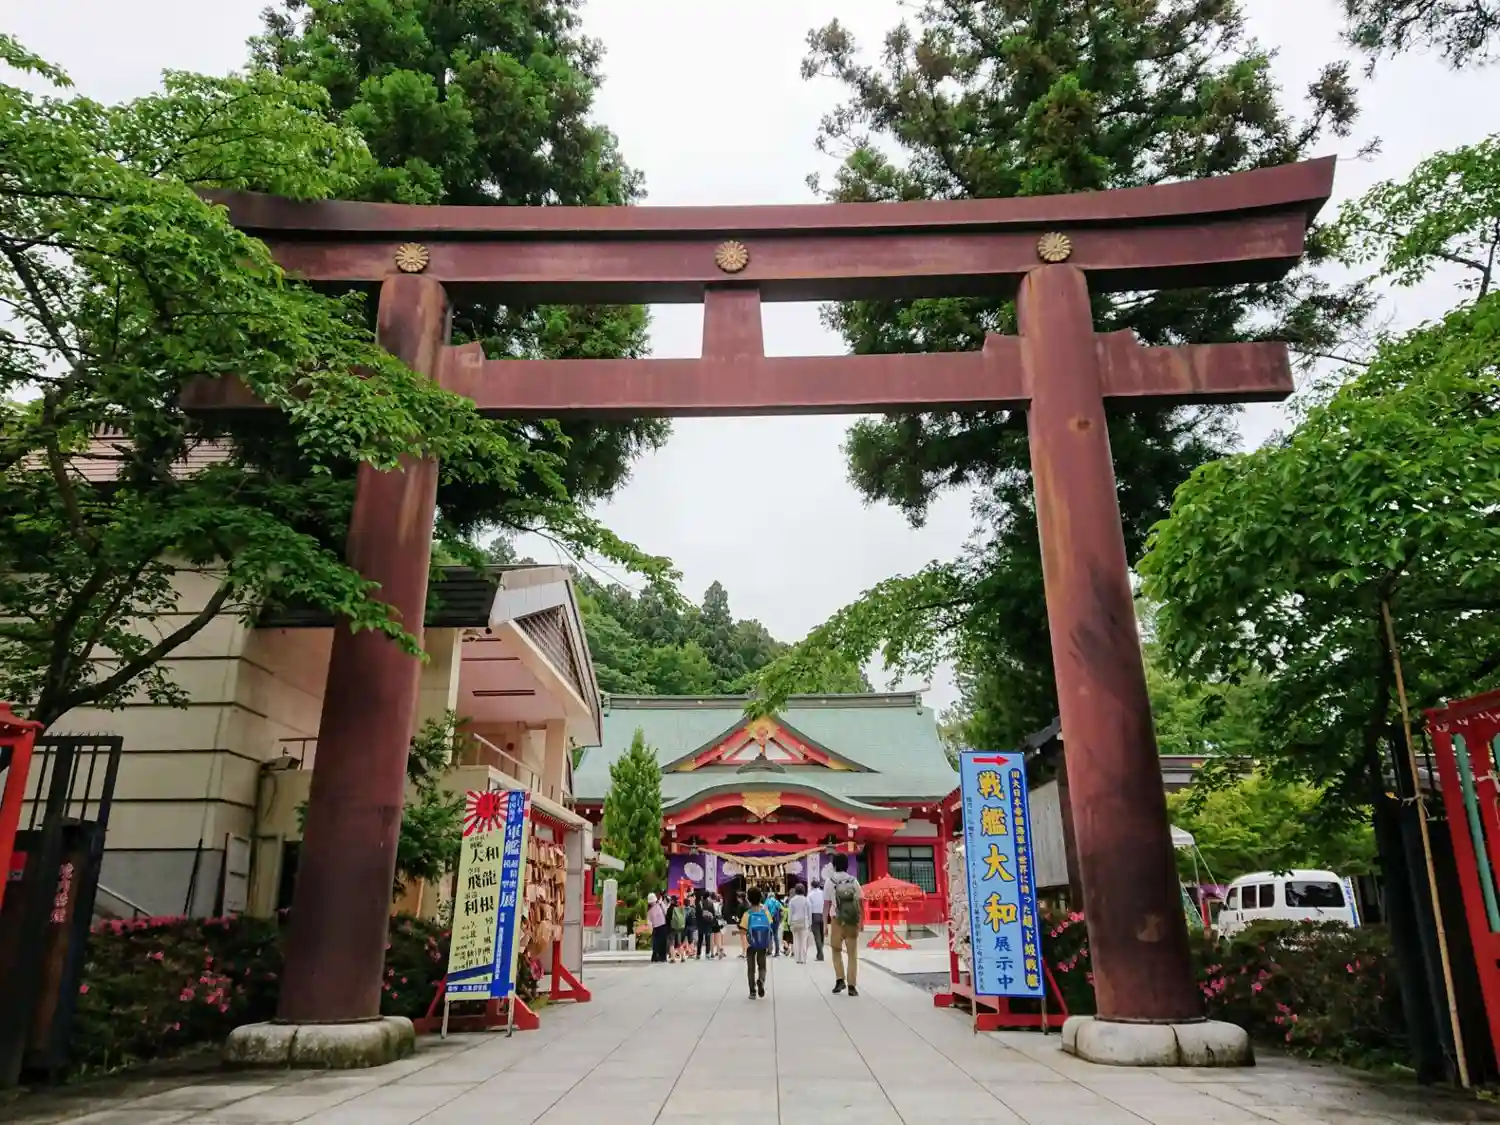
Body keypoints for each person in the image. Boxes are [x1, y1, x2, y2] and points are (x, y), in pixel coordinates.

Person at [825, 854, 863, 996]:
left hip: (836, 920)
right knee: (852, 954)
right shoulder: (853, 881)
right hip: (852, 920)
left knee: (836, 950)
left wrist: (824, 924)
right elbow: (860, 901)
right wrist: (861, 921)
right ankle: (852, 986)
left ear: (834, 865)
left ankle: (840, 979)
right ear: (847, 865)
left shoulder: (830, 882)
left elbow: (826, 905)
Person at [741, 887, 772, 999]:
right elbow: (770, 925)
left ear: (749, 899)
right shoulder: (765, 912)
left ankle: (752, 992)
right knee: (762, 966)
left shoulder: (747, 914)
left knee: (751, 969)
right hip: (762, 943)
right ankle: (761, 980)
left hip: (751, 944)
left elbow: (743, 930)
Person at [788, 883, 811, 964]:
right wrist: (810, 923)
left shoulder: (792, 900)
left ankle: (797, 958)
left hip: (794, 922)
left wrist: (789, 922)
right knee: (803, 940)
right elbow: (809, 912)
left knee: (796, 940)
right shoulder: (806, 900)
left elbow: (790, 912)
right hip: (804, 922)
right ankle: (803, 959)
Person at [807, 880, 826, 961]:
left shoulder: (810, 895)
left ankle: (820, 954)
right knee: (822, 936)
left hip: (814, 915)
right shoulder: (823, 893)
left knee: (817, 936)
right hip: (823, 915)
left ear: (812, 886)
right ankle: (819, 953)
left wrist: (809, 922)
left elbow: (809, 909)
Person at [647, 893, 668, 963]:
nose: (652, 903)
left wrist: (661, 903)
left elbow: (666, 912)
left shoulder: (660, 905)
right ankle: (656, 957)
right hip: (655, 928)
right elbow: (649, 920)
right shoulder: (649, 910)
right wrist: (650, 928)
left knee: (662, 943)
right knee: (656, 943)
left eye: (652, 901)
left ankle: (662, 957)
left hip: (662, 926)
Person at [764, 888, 783, 957]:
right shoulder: (777, 902)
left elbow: (764, 910)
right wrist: (780, 920)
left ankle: (769, 951)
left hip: (769, 920)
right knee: (775, 935)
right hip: (776, 921)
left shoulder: (767, 901)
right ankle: (777, 952)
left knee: (769, 936)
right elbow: (782, 911)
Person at [668, 895, 687, 962]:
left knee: (671, 943)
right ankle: (683, 957)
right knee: (679, 943)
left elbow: (667, 918)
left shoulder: (670, 908)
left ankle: (673, 958)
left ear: (672, 901)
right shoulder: (678, 908)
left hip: (672, 928)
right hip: (679, 928)